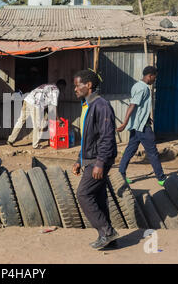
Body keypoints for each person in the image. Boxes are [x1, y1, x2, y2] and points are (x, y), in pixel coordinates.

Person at [72, 69, 119, 250]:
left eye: (78, 85)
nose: (75, 89)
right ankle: (110, 239)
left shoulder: (101, 105)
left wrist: (100, 163)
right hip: (90, 159)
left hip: (99, 160)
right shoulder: (87, 106)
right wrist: (79, 159)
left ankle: (107, 232)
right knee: (99, 199)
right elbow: (88, 138)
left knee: (83, 194)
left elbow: (107, 137)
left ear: (89, 85)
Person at [116, 66, 167, 186]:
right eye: (155, 77)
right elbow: (132, 105)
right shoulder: (143, 88)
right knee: (152, 152)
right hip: (142, 127)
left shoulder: (137, 85)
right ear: (150, 75)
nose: (155, 79)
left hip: (137, 124)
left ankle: (121, 174)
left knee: (130, 150)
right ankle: (161, 178)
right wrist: (124, 123)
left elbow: (139, 107)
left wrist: (146, 116)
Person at [7, 79, 66, 149]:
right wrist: (58, 119)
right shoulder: (56, 90)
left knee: (20, 121)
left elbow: (47, 102)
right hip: (35, 103)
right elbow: (54, 106)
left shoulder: (48, 85)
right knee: (37, 125)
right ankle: (35, 145)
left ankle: (10, 140)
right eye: (64, 88)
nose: (63, 89)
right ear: (62, 86)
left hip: (28, 99)